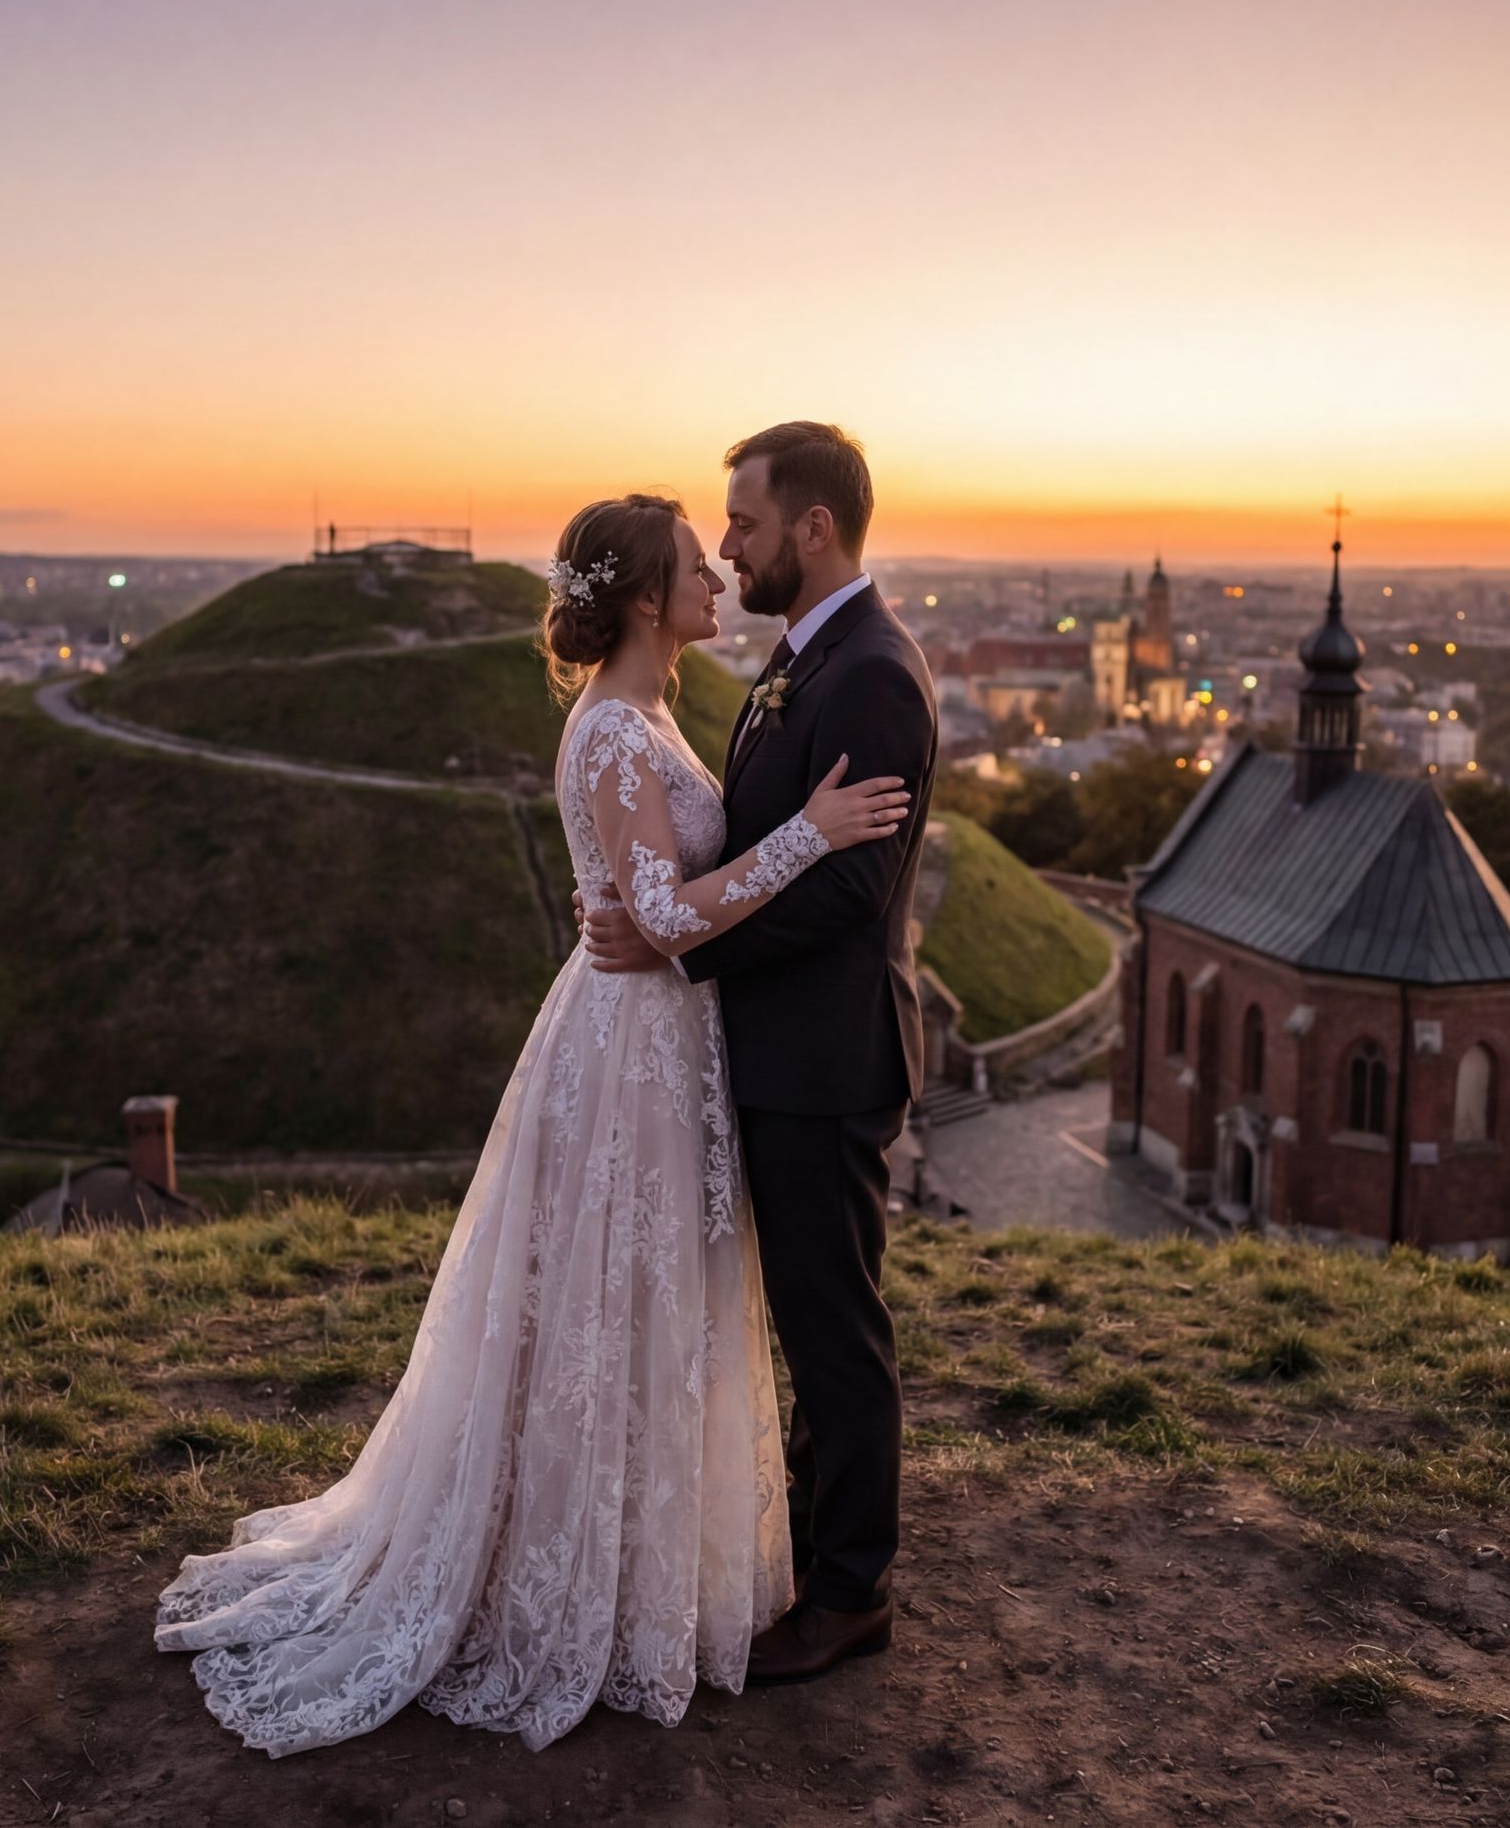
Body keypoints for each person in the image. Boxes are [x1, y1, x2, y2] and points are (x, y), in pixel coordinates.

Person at [153, 487, 912, 1754]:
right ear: (641, 599)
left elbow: (651, 903)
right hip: (630, 1048)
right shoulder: (615, 729)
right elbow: (665, 920)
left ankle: (633, 1564)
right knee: (608, 1307)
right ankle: (570, 1577)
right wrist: (810, 836)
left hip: (663, 1034)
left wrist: (668, 897)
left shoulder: (654, 711)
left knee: (641, 1305)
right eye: (692, 565)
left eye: (723, 549)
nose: (717, 576)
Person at [580, 421, 939, 1685]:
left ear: (814, 527)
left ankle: (852, 1593)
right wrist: (663, 913)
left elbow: (850, 892)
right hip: (767, 1054)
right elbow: (748, 844)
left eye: (741, 521)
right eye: (712, 536)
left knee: (832, 1327)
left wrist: (678, 943)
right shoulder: (805, 660)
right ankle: (798, 1553)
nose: (727, 550)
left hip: (825, 1062)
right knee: (792, 1314)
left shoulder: (872, 675)